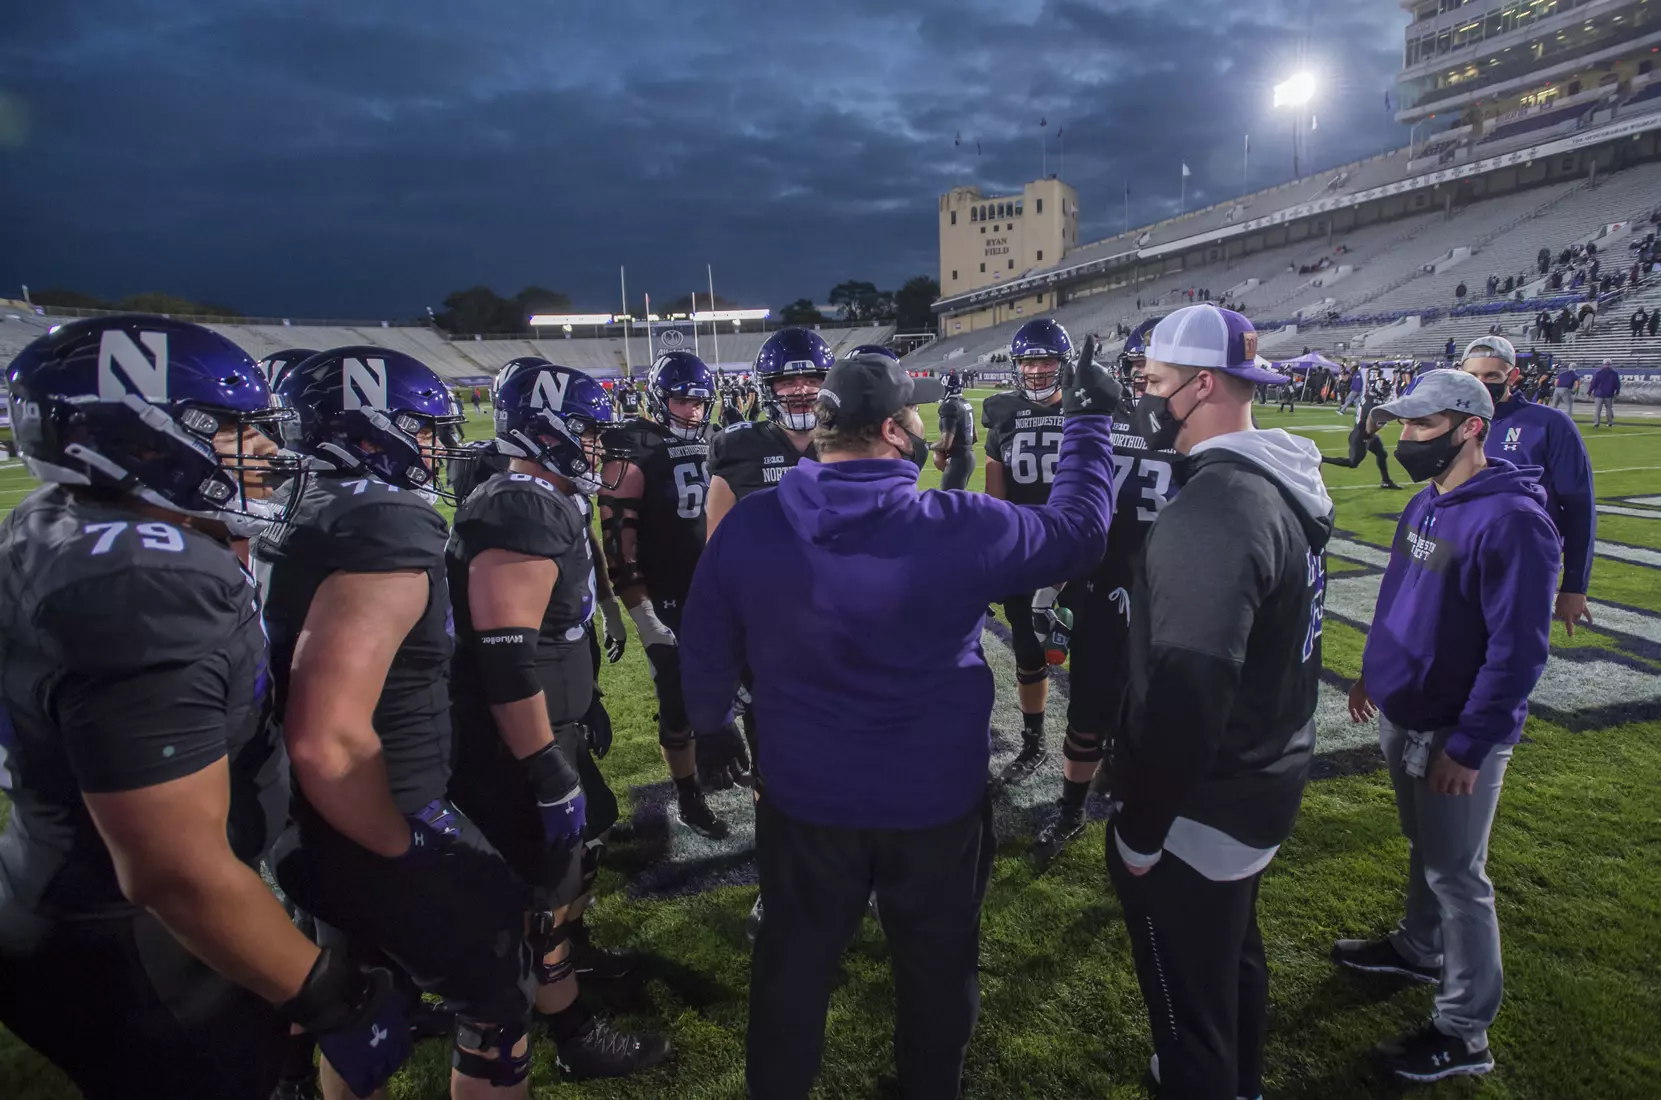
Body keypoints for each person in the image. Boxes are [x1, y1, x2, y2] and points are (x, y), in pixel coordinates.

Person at [680, 347, 1124, 1100]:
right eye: (913, 415)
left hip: (804, 799)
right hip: (933, 801)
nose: (924, 424)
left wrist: (712, 721)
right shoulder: (959, 524)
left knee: (792, 970)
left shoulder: (753, 523)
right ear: (891, 432)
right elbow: (1080, 530)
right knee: (937, 967)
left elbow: (704, 634)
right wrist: (1086, 422)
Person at [0, 318, 407, 1100]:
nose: (257, 447)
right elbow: (172, 871)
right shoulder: (146, 584)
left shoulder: (61, 521)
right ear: (138, 435)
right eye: (223, 426)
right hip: (133, 939)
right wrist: (326, 994)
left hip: (61, 892)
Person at [258, 346, 540, 1099]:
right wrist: (410, 848)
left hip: (303, 817)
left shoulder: (299, 501)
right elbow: (329, 736)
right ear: (369, 427)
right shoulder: (383, 522)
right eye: (418, 427)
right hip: (375, 806)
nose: (432, 444)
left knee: (360, 992)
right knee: (499, 993)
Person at [1107, 304, 1333, 1100]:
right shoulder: (1273, 480)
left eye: (1153, 381)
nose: (1140, 395)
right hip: (1265, 774)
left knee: (1185, 1013)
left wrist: (1138, 829)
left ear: (1201, 384)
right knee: (1233, 957)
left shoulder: (1216, 507)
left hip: (1208, 799)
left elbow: (1190, 694)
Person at [446, 358, 672, 1078]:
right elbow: (506, 654)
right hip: (521, 743)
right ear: (544, 428)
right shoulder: (520, 505)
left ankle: (570, 966)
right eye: (585, 430)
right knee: (540, 892)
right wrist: (545, 765)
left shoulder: (547, 494)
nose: (599, 446)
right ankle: (570, 1029)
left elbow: (547, 632)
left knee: (581, 858)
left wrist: (588, 701)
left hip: (555, 722)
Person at [1337, 370, 1558, 1084]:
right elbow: (1401, 593)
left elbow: (1516, 649)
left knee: (1458, 875)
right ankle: (1416, 946)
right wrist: (1374, 668)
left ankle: (1464, 1032)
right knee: (1424, 848)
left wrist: (1469, 744)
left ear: (1469, 427)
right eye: (1403, 425)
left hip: (1453, 727)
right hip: (1405, 707)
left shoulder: (1512, 520)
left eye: (1422, 426)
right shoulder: (1424, 503)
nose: (1406, 439)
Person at [705, 326, 834, 936]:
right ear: (768, 386)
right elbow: (718, 556)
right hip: (773, 640)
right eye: (789, 377)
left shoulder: (858, 439)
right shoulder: (737, 449)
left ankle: (852, 873)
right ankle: (778, 882)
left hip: (846, 633)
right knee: (775, 774)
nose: (802, 387)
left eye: (810, 376)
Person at [1033, 316, 1177, 860]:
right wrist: (1055, 587)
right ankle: (1072, 810)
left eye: (1159, 371)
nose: (1146, 379)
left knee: (1163, 714)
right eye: (1140, 367)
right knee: (1088, 711)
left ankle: (1145, 805)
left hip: (1172, 590)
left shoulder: (1197, 431)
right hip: (1104, 584)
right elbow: (1075, 508)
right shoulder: (1105, 417)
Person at [599, 350, 745, 838]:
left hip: (720, 590)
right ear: (659, 399)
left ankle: (733, 759)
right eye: (682, 401)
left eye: (700, 402)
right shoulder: (633, 447)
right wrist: (638, 612)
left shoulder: (717, 440)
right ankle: (688, 798)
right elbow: (618, 541)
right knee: (678, 702)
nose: (693, 411)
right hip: (667, 595)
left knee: (745, 683)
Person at [981, 317, 1074, 786]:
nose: (1037, 370)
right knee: (1028, 652)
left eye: (1046, 360)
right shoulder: (1001, 412)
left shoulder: (1087, 408)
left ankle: (1108, 742)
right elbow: (996, 498)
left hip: (1081, 547)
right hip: (1025, 549)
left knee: (1099, 650)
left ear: (1063, 364)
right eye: (1029, 361)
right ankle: (1034, 741)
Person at [1458, 336, 1595, 635]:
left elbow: (1579, 507)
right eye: (1472, 376)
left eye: (1491, 375)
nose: (1481, 383)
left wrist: (1574, 585)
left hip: (1523, 567)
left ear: (1513, 376)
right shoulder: (1455, 421)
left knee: (1507, 661)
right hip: (1460, 559)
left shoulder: (1550, 424)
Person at [1322, 372, 1403, 489]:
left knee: (1382, 454)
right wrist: (1386, 419)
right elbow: (1371, 428)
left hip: (1367, 434)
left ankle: (1386, 481)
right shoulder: (1374, 407)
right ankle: (1323, 458)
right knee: (1352, 463)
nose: (1387, 392)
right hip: (1361, 436)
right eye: (1385, 389)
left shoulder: (1369, 398)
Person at [932, 374, 977, 490]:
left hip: (958, 460)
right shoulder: (966, 403)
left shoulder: (949, 406)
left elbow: (946, 444)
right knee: (957, 501)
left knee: (948, 502)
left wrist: (927, 446)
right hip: (969, 458)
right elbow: (975, 437)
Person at [1589, 359, 1622, 428]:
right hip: (1609, 393)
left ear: (1603, 364)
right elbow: (1617, 384)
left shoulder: (1598, 373)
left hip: (1599, 393)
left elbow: (1593, 383)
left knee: (1598, 409)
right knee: (1609, 409)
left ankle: (1596, 423)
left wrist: (1589, 391)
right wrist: (1617, 391)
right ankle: (1610, 422)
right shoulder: (1614, 373)